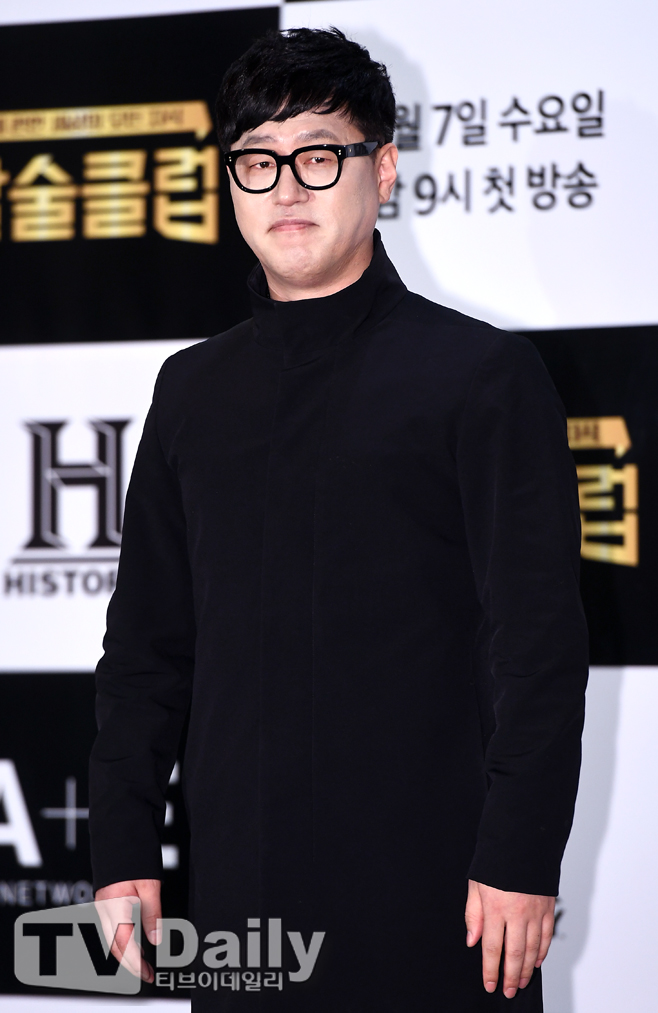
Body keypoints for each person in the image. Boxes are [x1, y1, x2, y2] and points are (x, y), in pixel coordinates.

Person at [89, 27, 589, 1012]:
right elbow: (147, 646)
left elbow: (535, 641)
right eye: (257, 160)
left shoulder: (481, 375)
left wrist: (520, 854)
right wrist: (121, 846)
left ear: (383, 170)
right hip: (241, 894)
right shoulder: (190, 390)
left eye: (318, 154)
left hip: (443, 891)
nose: (286, 187)